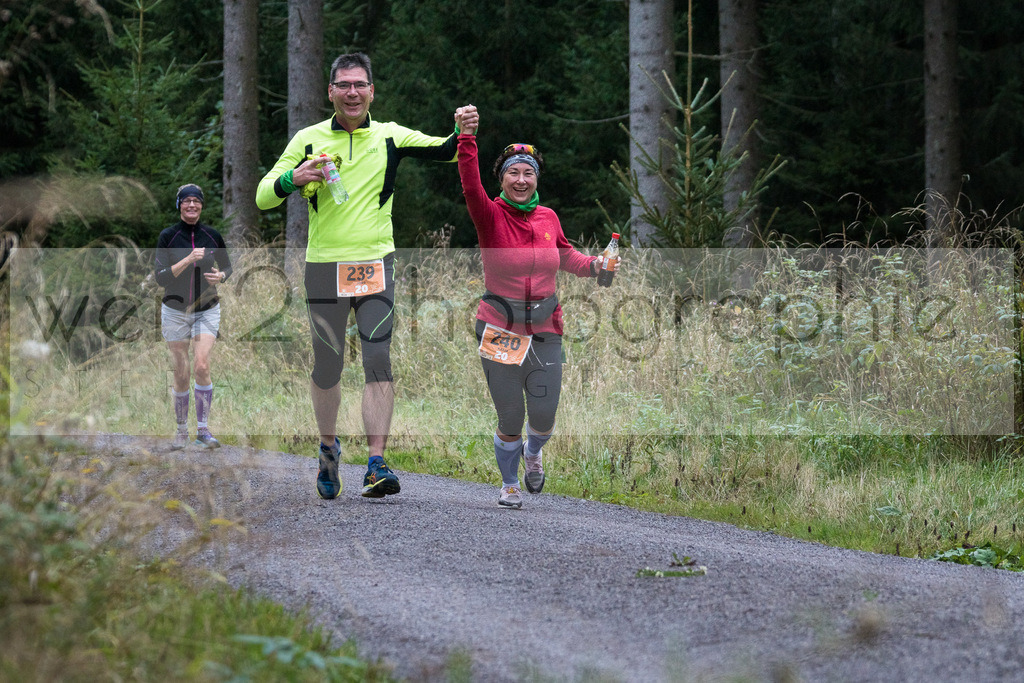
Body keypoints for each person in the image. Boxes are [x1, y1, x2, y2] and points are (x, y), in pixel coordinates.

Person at [256, 52, 471, 500]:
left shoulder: (390, 136)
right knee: (328, 368)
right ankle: (329, 448)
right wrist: (293, 178)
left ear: (372, 91)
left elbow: (446, 150)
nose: (352, 92)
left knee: (378, 360)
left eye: (360, 85)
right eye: (343, 85)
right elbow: (262, 197)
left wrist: (464, 130)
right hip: (324, 267)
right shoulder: (308, 138)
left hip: (375, 264)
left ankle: (376, 463)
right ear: (330, 92)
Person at [453, 105, 618, 508]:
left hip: (546, 327)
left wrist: (596, 266)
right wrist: (466, 137)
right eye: (513, 172)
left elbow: (565, 256)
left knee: (543, 415)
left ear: (536, 178)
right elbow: (471, 187)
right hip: (499, 327)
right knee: (510, 415)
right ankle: (509, 484)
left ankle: (533, 451)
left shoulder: (548, 217)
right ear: (502, 178)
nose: (522, 179)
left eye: (528, 173)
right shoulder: (489, 215)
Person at [154, 183, 232, 450]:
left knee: (201, 365)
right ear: (179, 205)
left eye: (196, 201)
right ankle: (179, 431)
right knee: (181, 371)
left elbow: (228, 267)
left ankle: (203, 431)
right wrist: (188, 259)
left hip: (207, 310)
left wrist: (220, 276)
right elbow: (160, 277)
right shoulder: (168, 236)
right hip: (175, 311)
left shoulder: (212, 235)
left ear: (201, 205)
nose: (191, 205)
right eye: (186, 201)